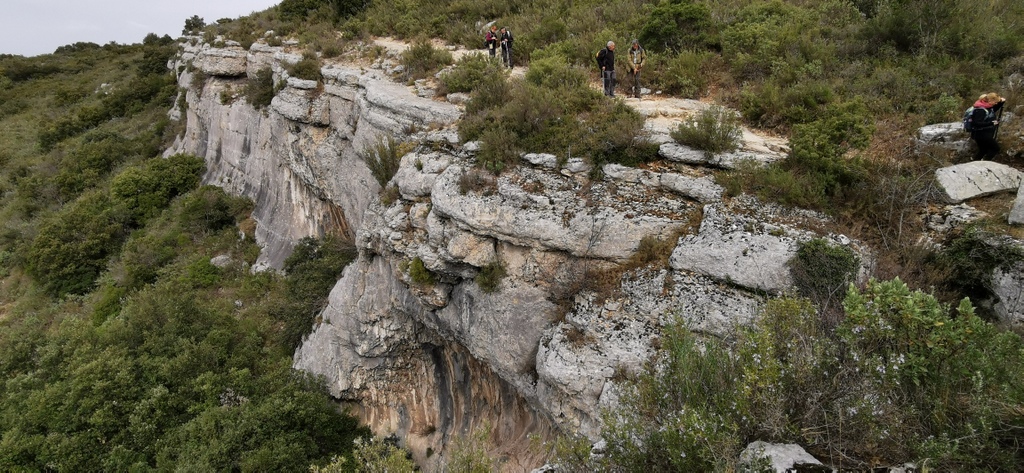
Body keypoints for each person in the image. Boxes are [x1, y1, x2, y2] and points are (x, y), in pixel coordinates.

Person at [970, 92, 1006, 161]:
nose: (996, 103)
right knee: (995, 148)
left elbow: (995, 108)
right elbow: (976, 123)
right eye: (995, 102)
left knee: (983, 150)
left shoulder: (988, 107)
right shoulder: (980, 110)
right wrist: (991, 123)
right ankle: (985, 163)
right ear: (990, 100)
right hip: (981, 134)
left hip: (983, 134)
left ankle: (976, 164)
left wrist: (1001, 102)